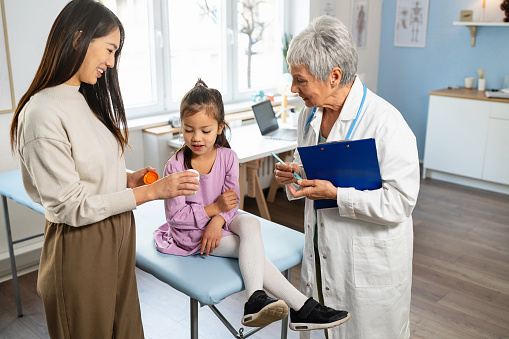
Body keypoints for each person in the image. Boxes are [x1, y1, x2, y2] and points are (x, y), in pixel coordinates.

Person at [9, 1, 199, 338]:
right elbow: (70, 205)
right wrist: (150, 192)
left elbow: (85, 170)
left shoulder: (82, 98)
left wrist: (126, 178)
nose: (111, 63)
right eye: (110, 50)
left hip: (117, 237)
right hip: (81, 248)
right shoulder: (42, 112)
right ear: (79, 38)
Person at [153, 79, 350, 331]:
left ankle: (257, 298)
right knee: (248, 249)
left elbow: (231, 202)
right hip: (191, 234)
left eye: (205, 130)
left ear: (220, 127)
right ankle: (299, 307)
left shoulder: (227, 157)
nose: (196, 137)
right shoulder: (176, 166)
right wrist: (213, 211)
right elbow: (176, 218)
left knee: (250, 221)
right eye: (188, 129)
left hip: (219, 221)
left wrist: (219, 219)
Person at [274, 16, 420, 339]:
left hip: (369, 271)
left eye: (300, 80)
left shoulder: (386, 126)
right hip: (321, 257)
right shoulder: (308, 116)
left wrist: (337, 194)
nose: (293, 89)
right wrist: (292, 177)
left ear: (334, 76)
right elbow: (306, 171)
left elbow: (401, 202)